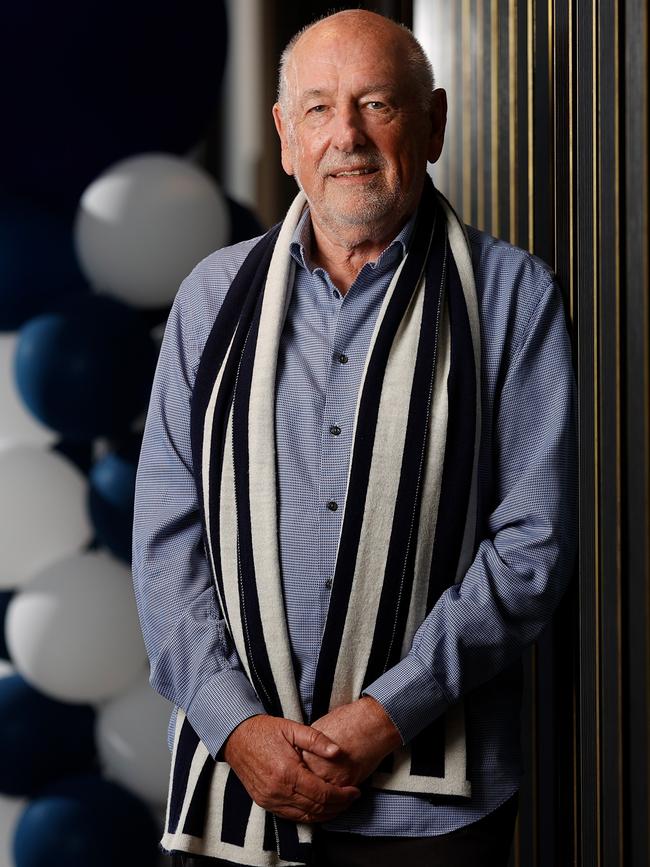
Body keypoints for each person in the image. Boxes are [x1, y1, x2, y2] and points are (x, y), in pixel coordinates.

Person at [132, 9, 577, 867]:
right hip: (235, 787)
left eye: (378, 105)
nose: (348, 137)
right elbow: (164, 545)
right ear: (285, 135)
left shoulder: (513, 295)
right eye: (319, 109)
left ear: (434, 121)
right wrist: (238, 724)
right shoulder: (211, 298)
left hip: (433, 814)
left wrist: (385, 715)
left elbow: (533, 548)